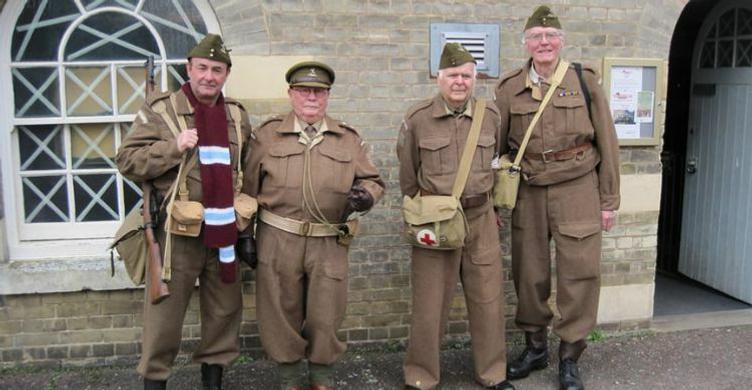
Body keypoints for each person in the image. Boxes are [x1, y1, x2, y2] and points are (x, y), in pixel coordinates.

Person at [494, 5, 620, 390]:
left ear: (561, 42)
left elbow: (607, 141)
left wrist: (608, 200)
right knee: (529, 273)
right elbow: (497, 149)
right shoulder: (509, 87)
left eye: (550, 37)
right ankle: (535, 348)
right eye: (536, 37)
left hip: (577, 186)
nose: (544, 43)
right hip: (529, 190)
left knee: (579, 273)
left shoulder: (584, 81)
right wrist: (499, 202)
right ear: (527, 44)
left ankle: (570, 356)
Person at [116, 34, 252, 390]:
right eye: (203, 68)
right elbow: (127, 161)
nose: (209, 76)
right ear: (189, 69)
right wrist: (172, 147)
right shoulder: (160, 110)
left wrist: (246, 233)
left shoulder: (236, 115)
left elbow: (246, 172)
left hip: (224, 232)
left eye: (217, 70)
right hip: (177, 234)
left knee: (224, 312)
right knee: (164, 318)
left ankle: (213, 380)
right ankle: (155, 381)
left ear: (226, 74)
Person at [243, 61, 385, 390]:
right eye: (304, 90)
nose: (311, 97)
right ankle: (289, 377)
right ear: (291, 94)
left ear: (328, 96)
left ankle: (321, 376)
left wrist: (367, 197)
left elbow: (373, 180)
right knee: (280, 311)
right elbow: (247, 190)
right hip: (278, 238)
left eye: (319, 92)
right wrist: (243, 235)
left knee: (326, 312)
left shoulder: (347, 139)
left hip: (328, 241)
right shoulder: (267, 136)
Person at [397, 43, 515, 390]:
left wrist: (492, 207)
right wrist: (425, 213)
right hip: (436, 221)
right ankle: (421, 376)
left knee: (489, 300)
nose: (459, 81)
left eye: (466, 75)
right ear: (439, 77)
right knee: (429, 304)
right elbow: (408, 176)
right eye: (452, 75)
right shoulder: (418, 118)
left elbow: (497, 162)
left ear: (475, 78)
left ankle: (492, 374)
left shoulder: (490, 115)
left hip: (481, 218)